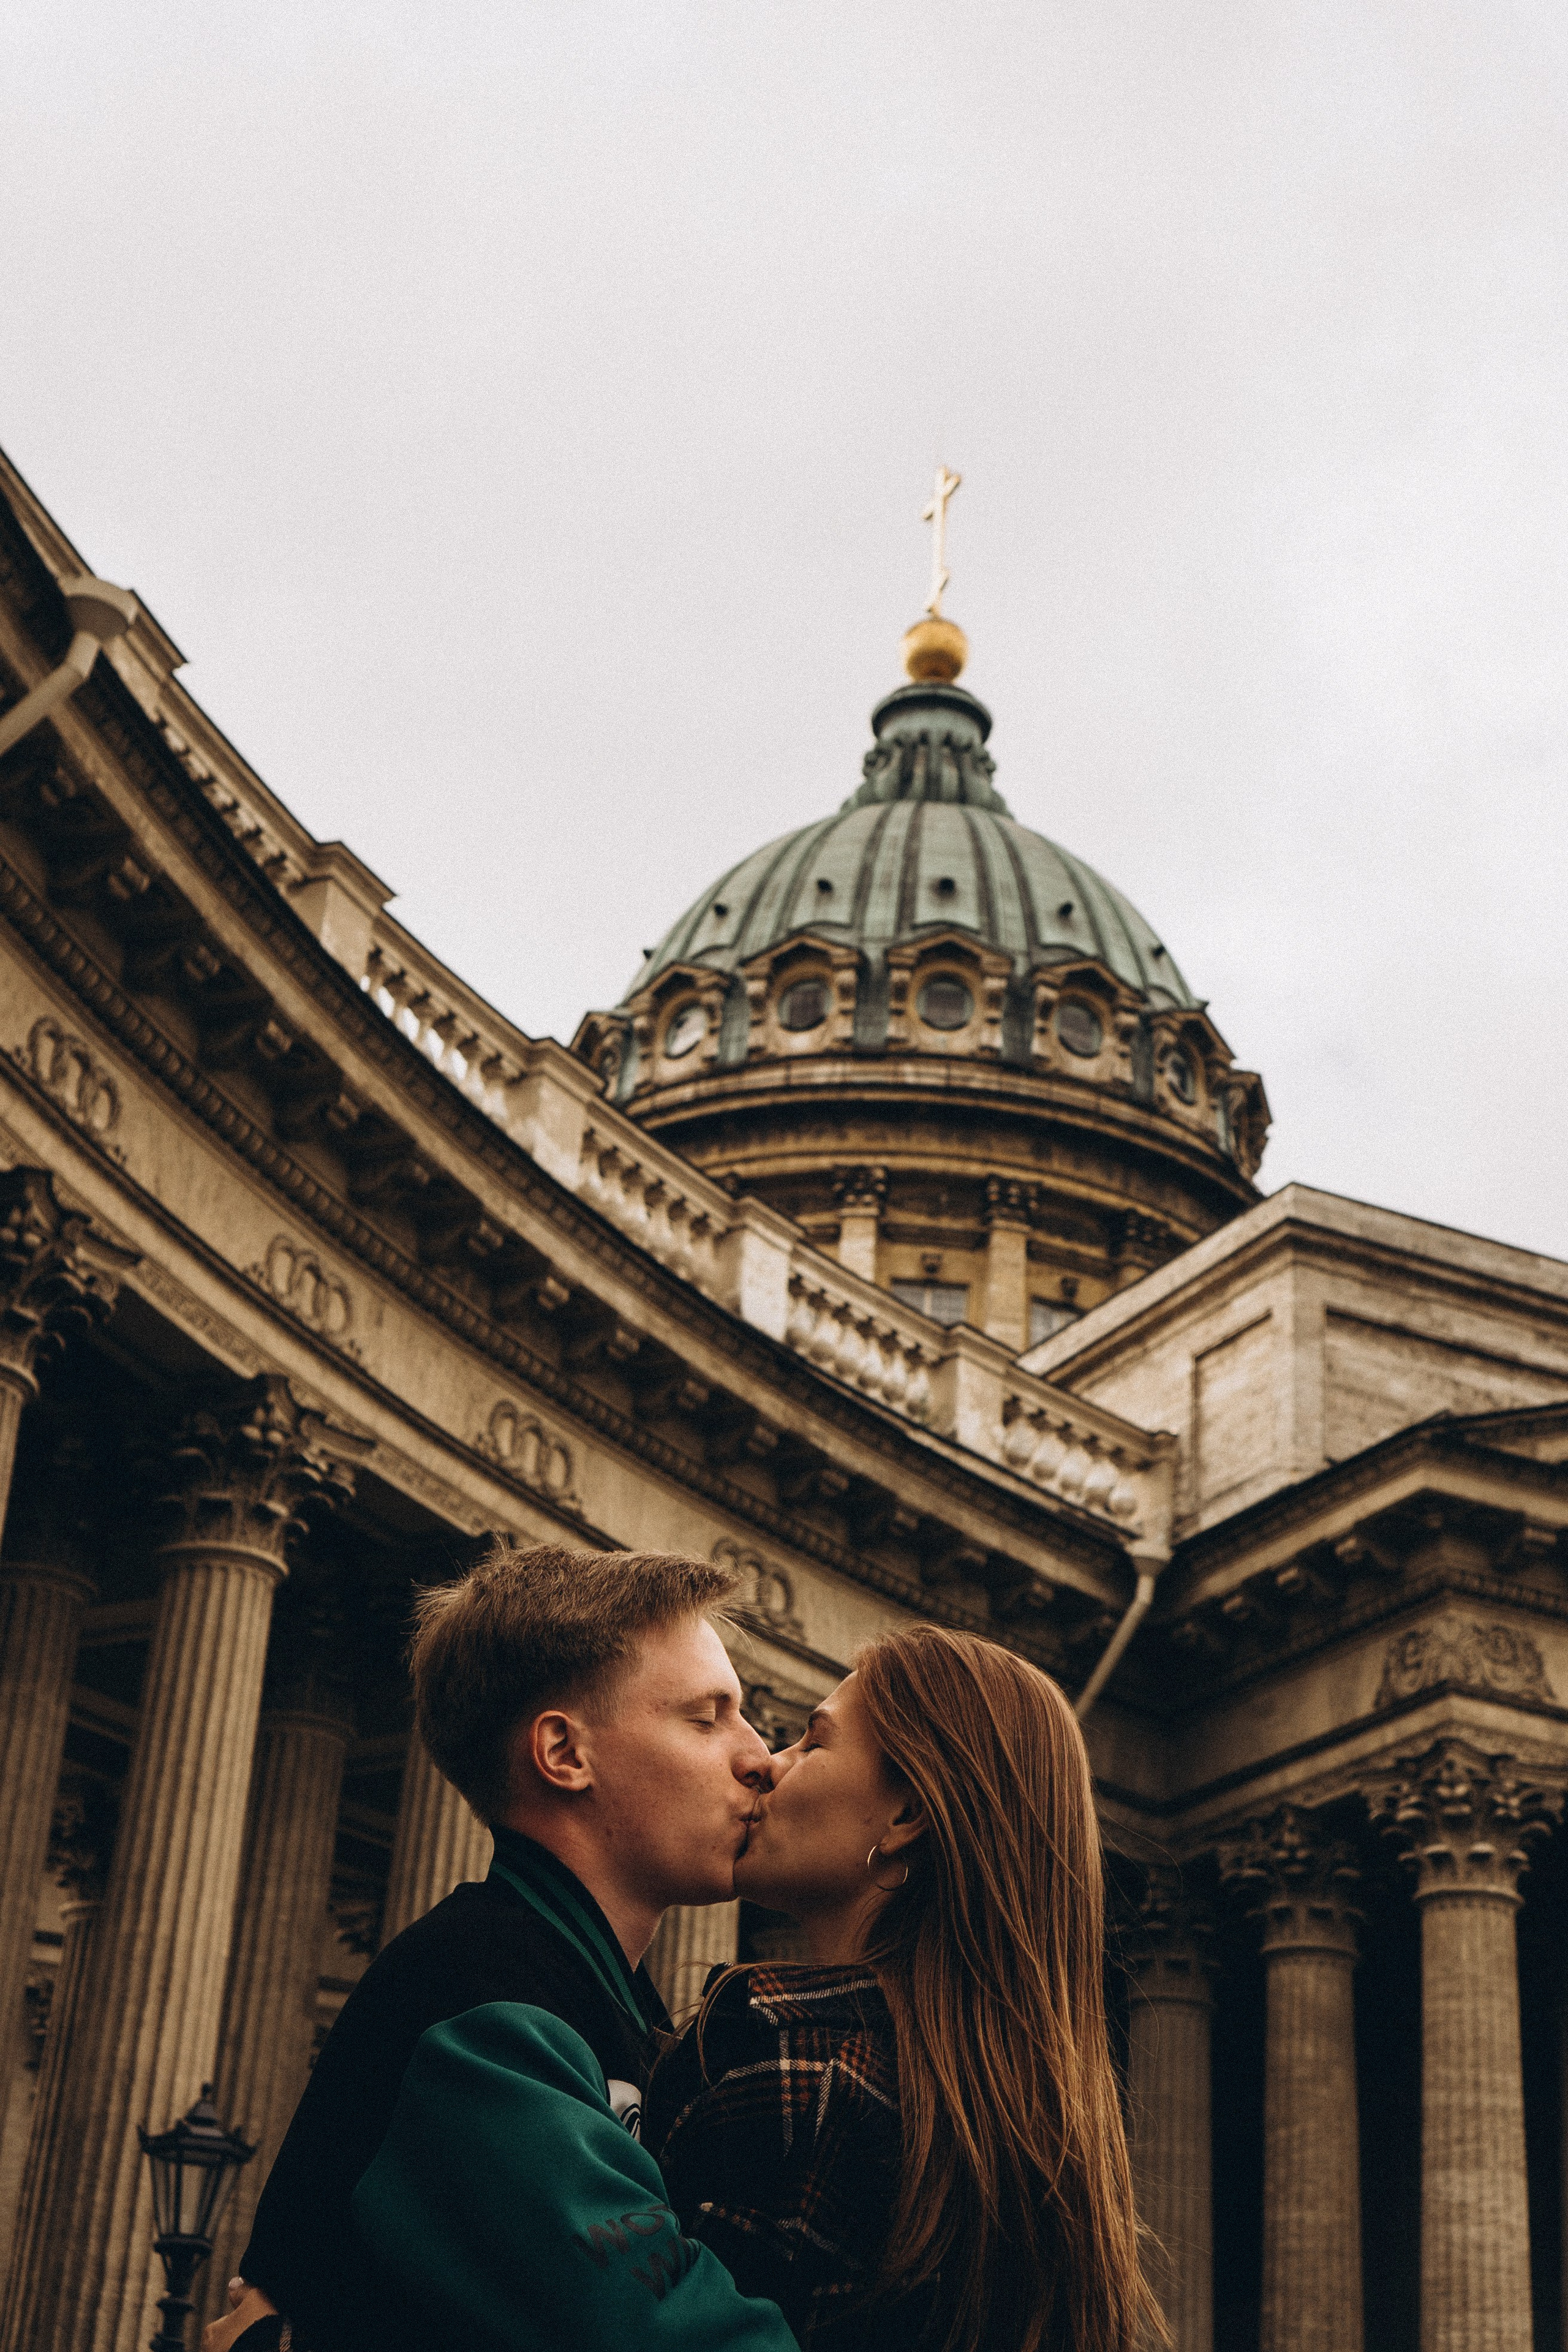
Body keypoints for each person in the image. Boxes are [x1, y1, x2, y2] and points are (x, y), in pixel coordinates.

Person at [205, 1542, 799, 2352]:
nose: (760, 1757)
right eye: (707, 1717)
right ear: (564, 1755)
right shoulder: (483, 2008)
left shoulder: (568, 1983)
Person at [645, 1624, 1167, 2352]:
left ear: (906, 1815)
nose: (768, 1763)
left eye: (812, 1742)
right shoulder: (1023, 2142)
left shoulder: (807, 2082)